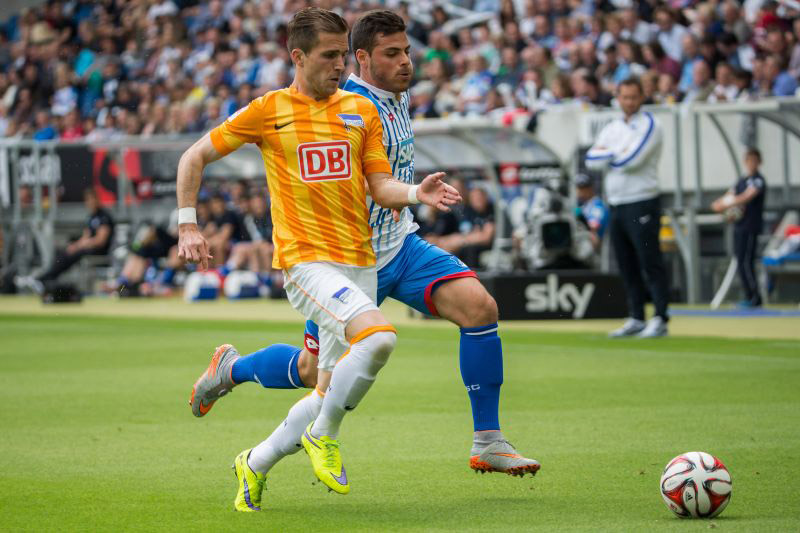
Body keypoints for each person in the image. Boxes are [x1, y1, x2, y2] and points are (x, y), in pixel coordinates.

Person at [189, 8, 539, 508]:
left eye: (407, 52)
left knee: (479, 308)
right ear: (361, 58)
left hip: (397, 243)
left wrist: (417, 194)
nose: (405, 62)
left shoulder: (391, 99)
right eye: (392, 54)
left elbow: (381, 181)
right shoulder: (339, 100)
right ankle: (234, 371)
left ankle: (488, 441)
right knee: (315, 377)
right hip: (342, 258)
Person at [585, 77, 670, 338]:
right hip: (617, 203)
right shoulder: (613, 127)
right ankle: (636, 316)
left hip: (642, 200)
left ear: (641, 97)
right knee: (626, 263)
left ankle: (660, 317)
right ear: (618, 98)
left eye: (634, 97)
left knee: (650, 260)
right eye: (625, 97)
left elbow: (631, 160)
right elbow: (590, 159)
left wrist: (609, 153)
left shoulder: (651, 125)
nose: (629, 102)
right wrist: (615, 152)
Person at [711, 148, 766, 308]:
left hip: (751, 227)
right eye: (749, 160)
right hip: (739, 227)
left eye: (754, 160)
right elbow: (730, 194)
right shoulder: (741, 181)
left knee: (747, 262)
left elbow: (747, 196)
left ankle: (755, 298)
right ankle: (750, 297)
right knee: (740, 261)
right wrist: (719, 203)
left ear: (759, 162)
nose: (751, 164)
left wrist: (726, 203)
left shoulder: (758, 180)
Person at [37, 188, 114, 286]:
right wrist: (75, 246)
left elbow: (100, 241)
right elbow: (85, 237)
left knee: (74, 254)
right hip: (88, 248)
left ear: (97, 200)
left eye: (91, 199)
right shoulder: (91, 217)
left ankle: (47, 278)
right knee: (64, 252)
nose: (89, 202)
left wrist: (81, 246)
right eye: (87, 200)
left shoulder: (104, 216)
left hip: (100, 250)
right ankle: (48, 277)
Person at [574, 173, 609, 251]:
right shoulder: (583, 206)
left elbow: (593, 228)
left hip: (594, 249)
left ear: (590, 188)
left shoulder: (598, 206)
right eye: (578, 188)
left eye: (583, 188)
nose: (580, 191)